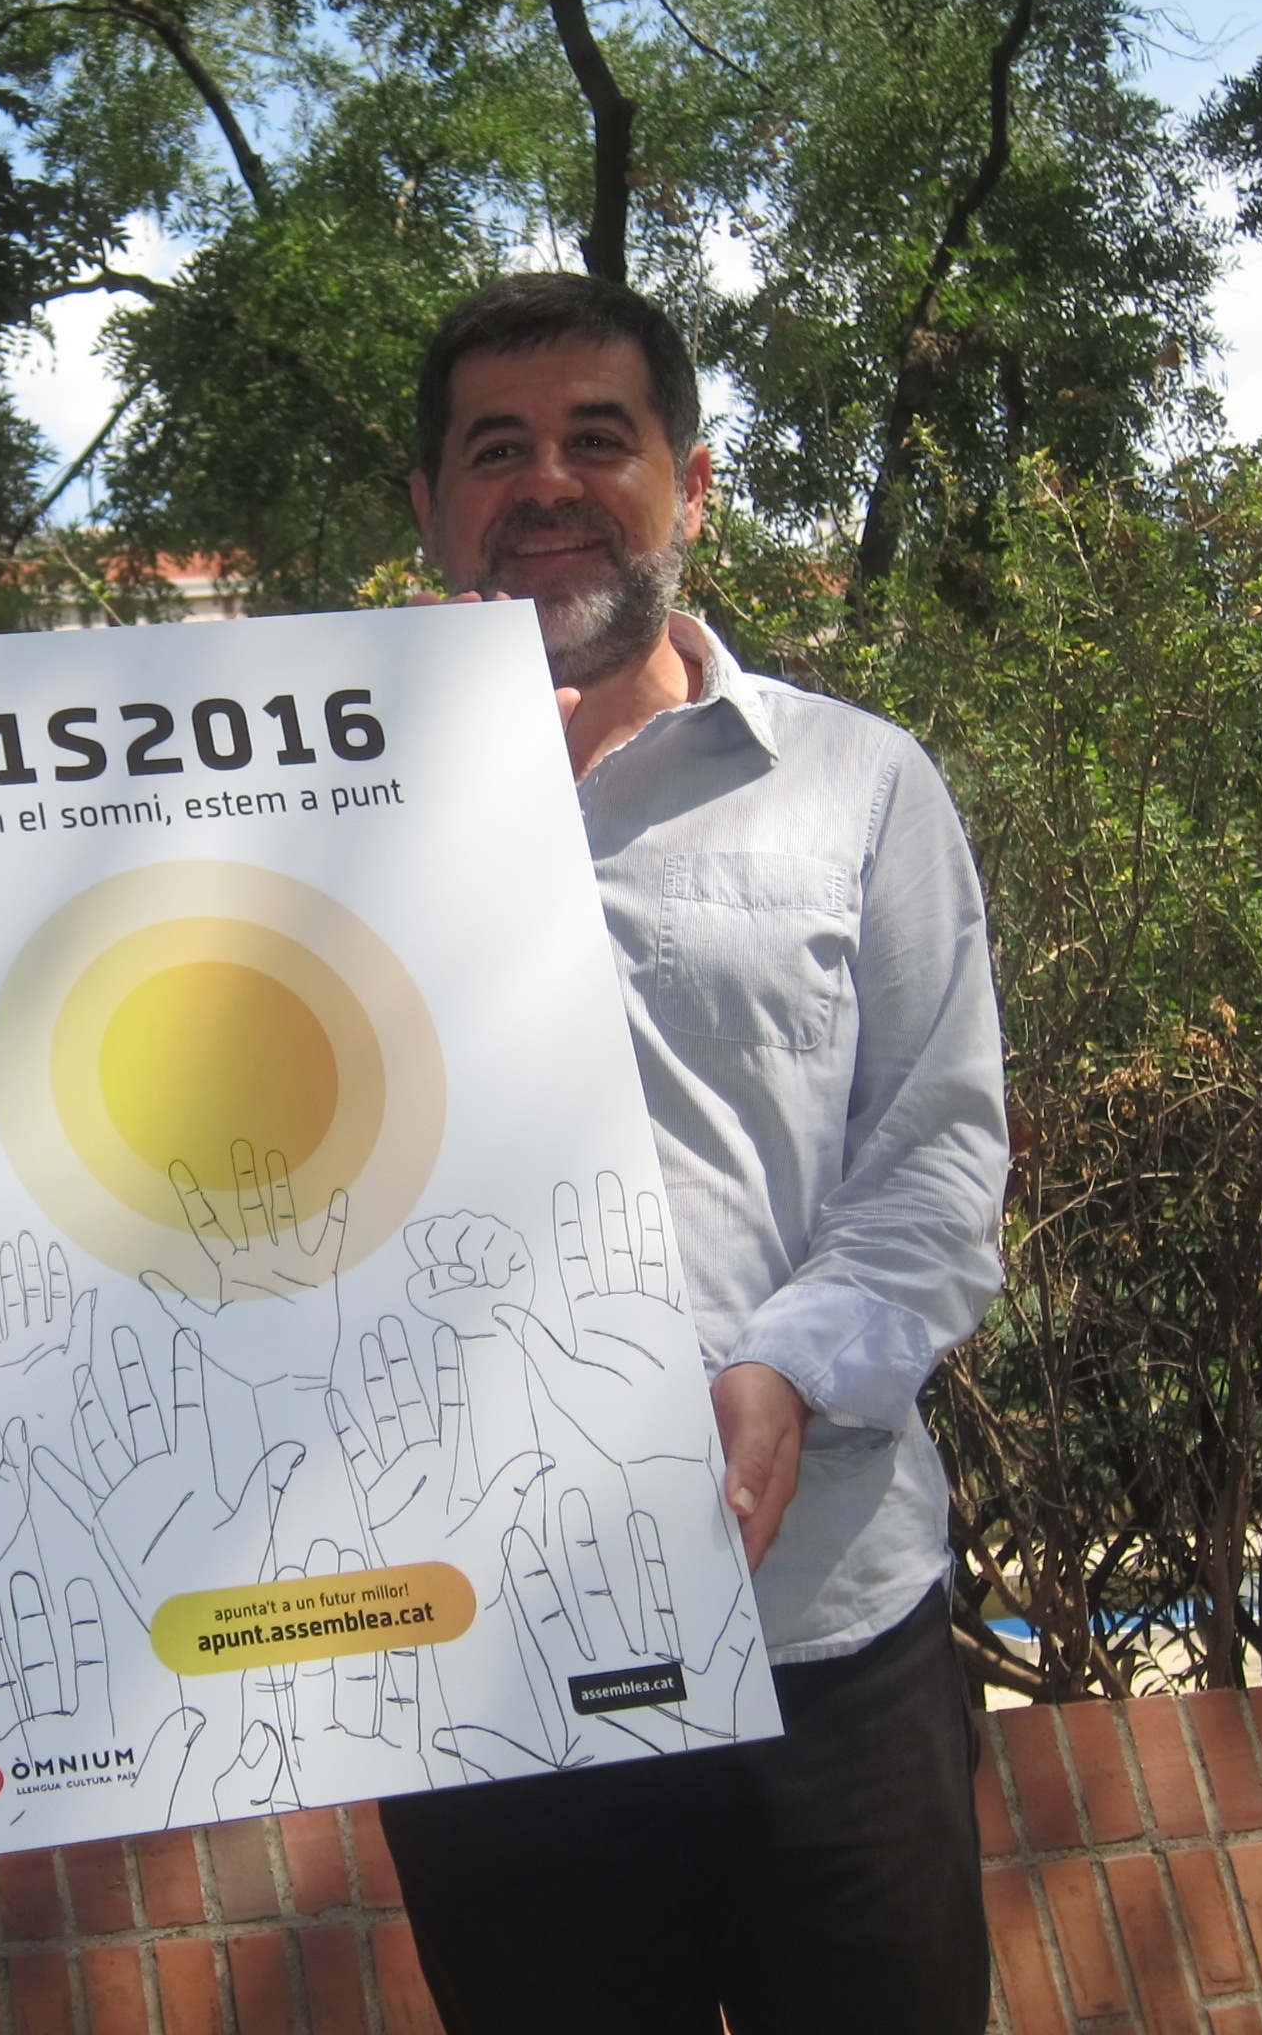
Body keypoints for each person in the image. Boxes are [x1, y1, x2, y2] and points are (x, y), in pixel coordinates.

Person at [375, 271, 1012, 2031]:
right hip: (485, 1656)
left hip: (827, 1630)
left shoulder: (861, 785)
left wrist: (790, 1372)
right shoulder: (307, 824)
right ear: (429, 505)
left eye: (600, 439)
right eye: (494, 451)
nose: (546, 484)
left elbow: (940, 1161)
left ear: (694, 484)